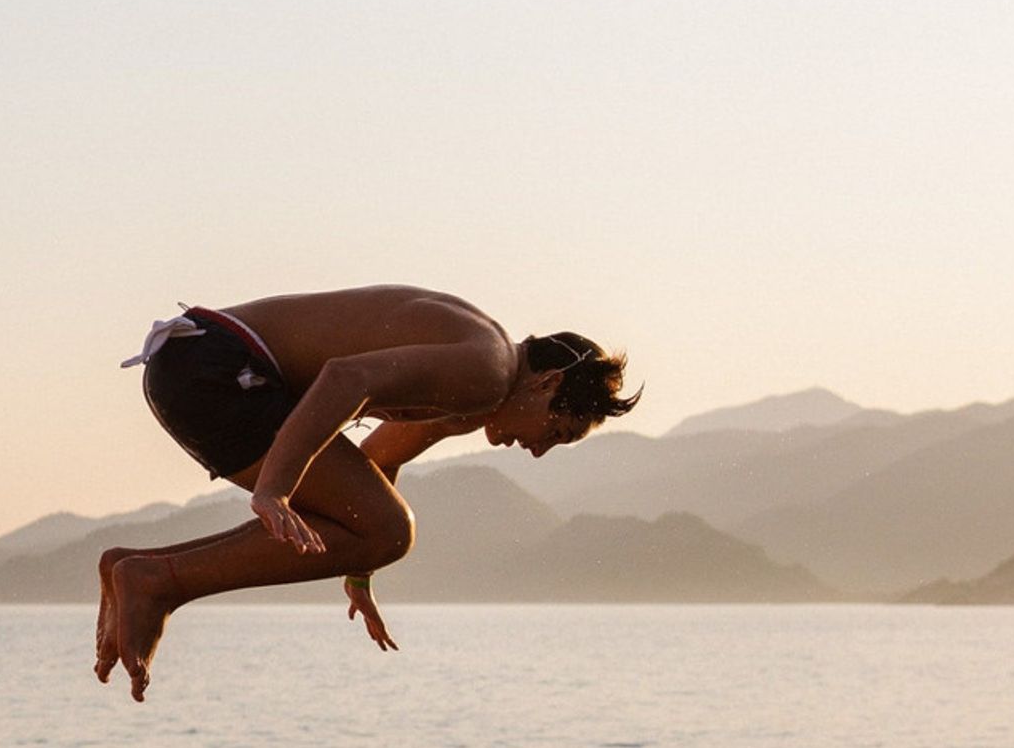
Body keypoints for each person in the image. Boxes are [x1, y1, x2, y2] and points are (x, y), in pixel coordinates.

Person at [95, 283, 641, 701]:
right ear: (548, 384)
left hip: (195, 366)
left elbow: (378, 465)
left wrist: (358, 568)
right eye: (558, 431)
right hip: (215, 370)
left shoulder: (473, 394)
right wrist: (275, 490)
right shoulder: (488, 371)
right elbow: (345, 380)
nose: (540, 450)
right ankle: (157, 582)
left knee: (382, 531)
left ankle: (140, 570)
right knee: (390, 530)